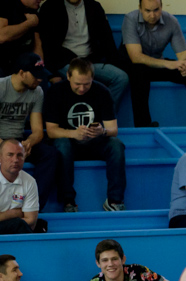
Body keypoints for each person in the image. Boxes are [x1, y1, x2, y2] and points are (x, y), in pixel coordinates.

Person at [43, 57, 126, 212]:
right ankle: (68, 201)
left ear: (92, 78)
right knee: (62, 144)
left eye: (86, 84)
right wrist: (74, 133)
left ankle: (115, 201)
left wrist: (102, 131)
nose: (81, 89)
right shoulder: (56, 91)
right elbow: (51, 130)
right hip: (69, 143)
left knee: (116, 144)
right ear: (68, 76)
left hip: (94, 142)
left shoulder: (102, 91)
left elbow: (113, 129)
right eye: (77, 84)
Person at [120, 0, 186, 128]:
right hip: (133, 65)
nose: (152, 15)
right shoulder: (130, 19)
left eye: (156, 10)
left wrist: (185, 63)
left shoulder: (171, 21)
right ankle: (143, 126)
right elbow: (136, 57)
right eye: (147, 11)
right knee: (138, 72)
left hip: (156, 64)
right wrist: (168, 64)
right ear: (140, 8)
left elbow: (184, 53)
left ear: (161, 7)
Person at [38, 0, 128, 109]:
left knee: (121, 78)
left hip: (90, 61)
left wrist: (116, 64)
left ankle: (103, 118)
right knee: (80, 79)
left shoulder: (94, 7)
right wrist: (51, 74)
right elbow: (46, 45)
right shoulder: (50, 7)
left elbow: (107, 39)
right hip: (64, 62)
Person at [0, 53, 59, 210]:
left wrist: (27, 144)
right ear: (21, 73)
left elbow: (38, 131)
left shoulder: (37, 92)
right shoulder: (1, 87)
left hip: (18, 139)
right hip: (1, 139)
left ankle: (33, 206)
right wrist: (6, 146)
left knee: (50, 154)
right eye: (35, 75)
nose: (39, 79)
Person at [0, 138, 42, 234]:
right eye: (10, 155)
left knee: (20, 225)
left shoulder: (30, 181)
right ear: (0, 157)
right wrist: (13, 213)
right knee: (19, 224)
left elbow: (31, 221)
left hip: (17, 229)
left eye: (19, 155)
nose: (15, 160)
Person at [0, 0, 40, 74]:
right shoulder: (6, 4)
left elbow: (37, 44)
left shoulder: (34, 12)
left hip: (23, 62)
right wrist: (29, 23)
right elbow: (1, 36)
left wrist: (40, 65)